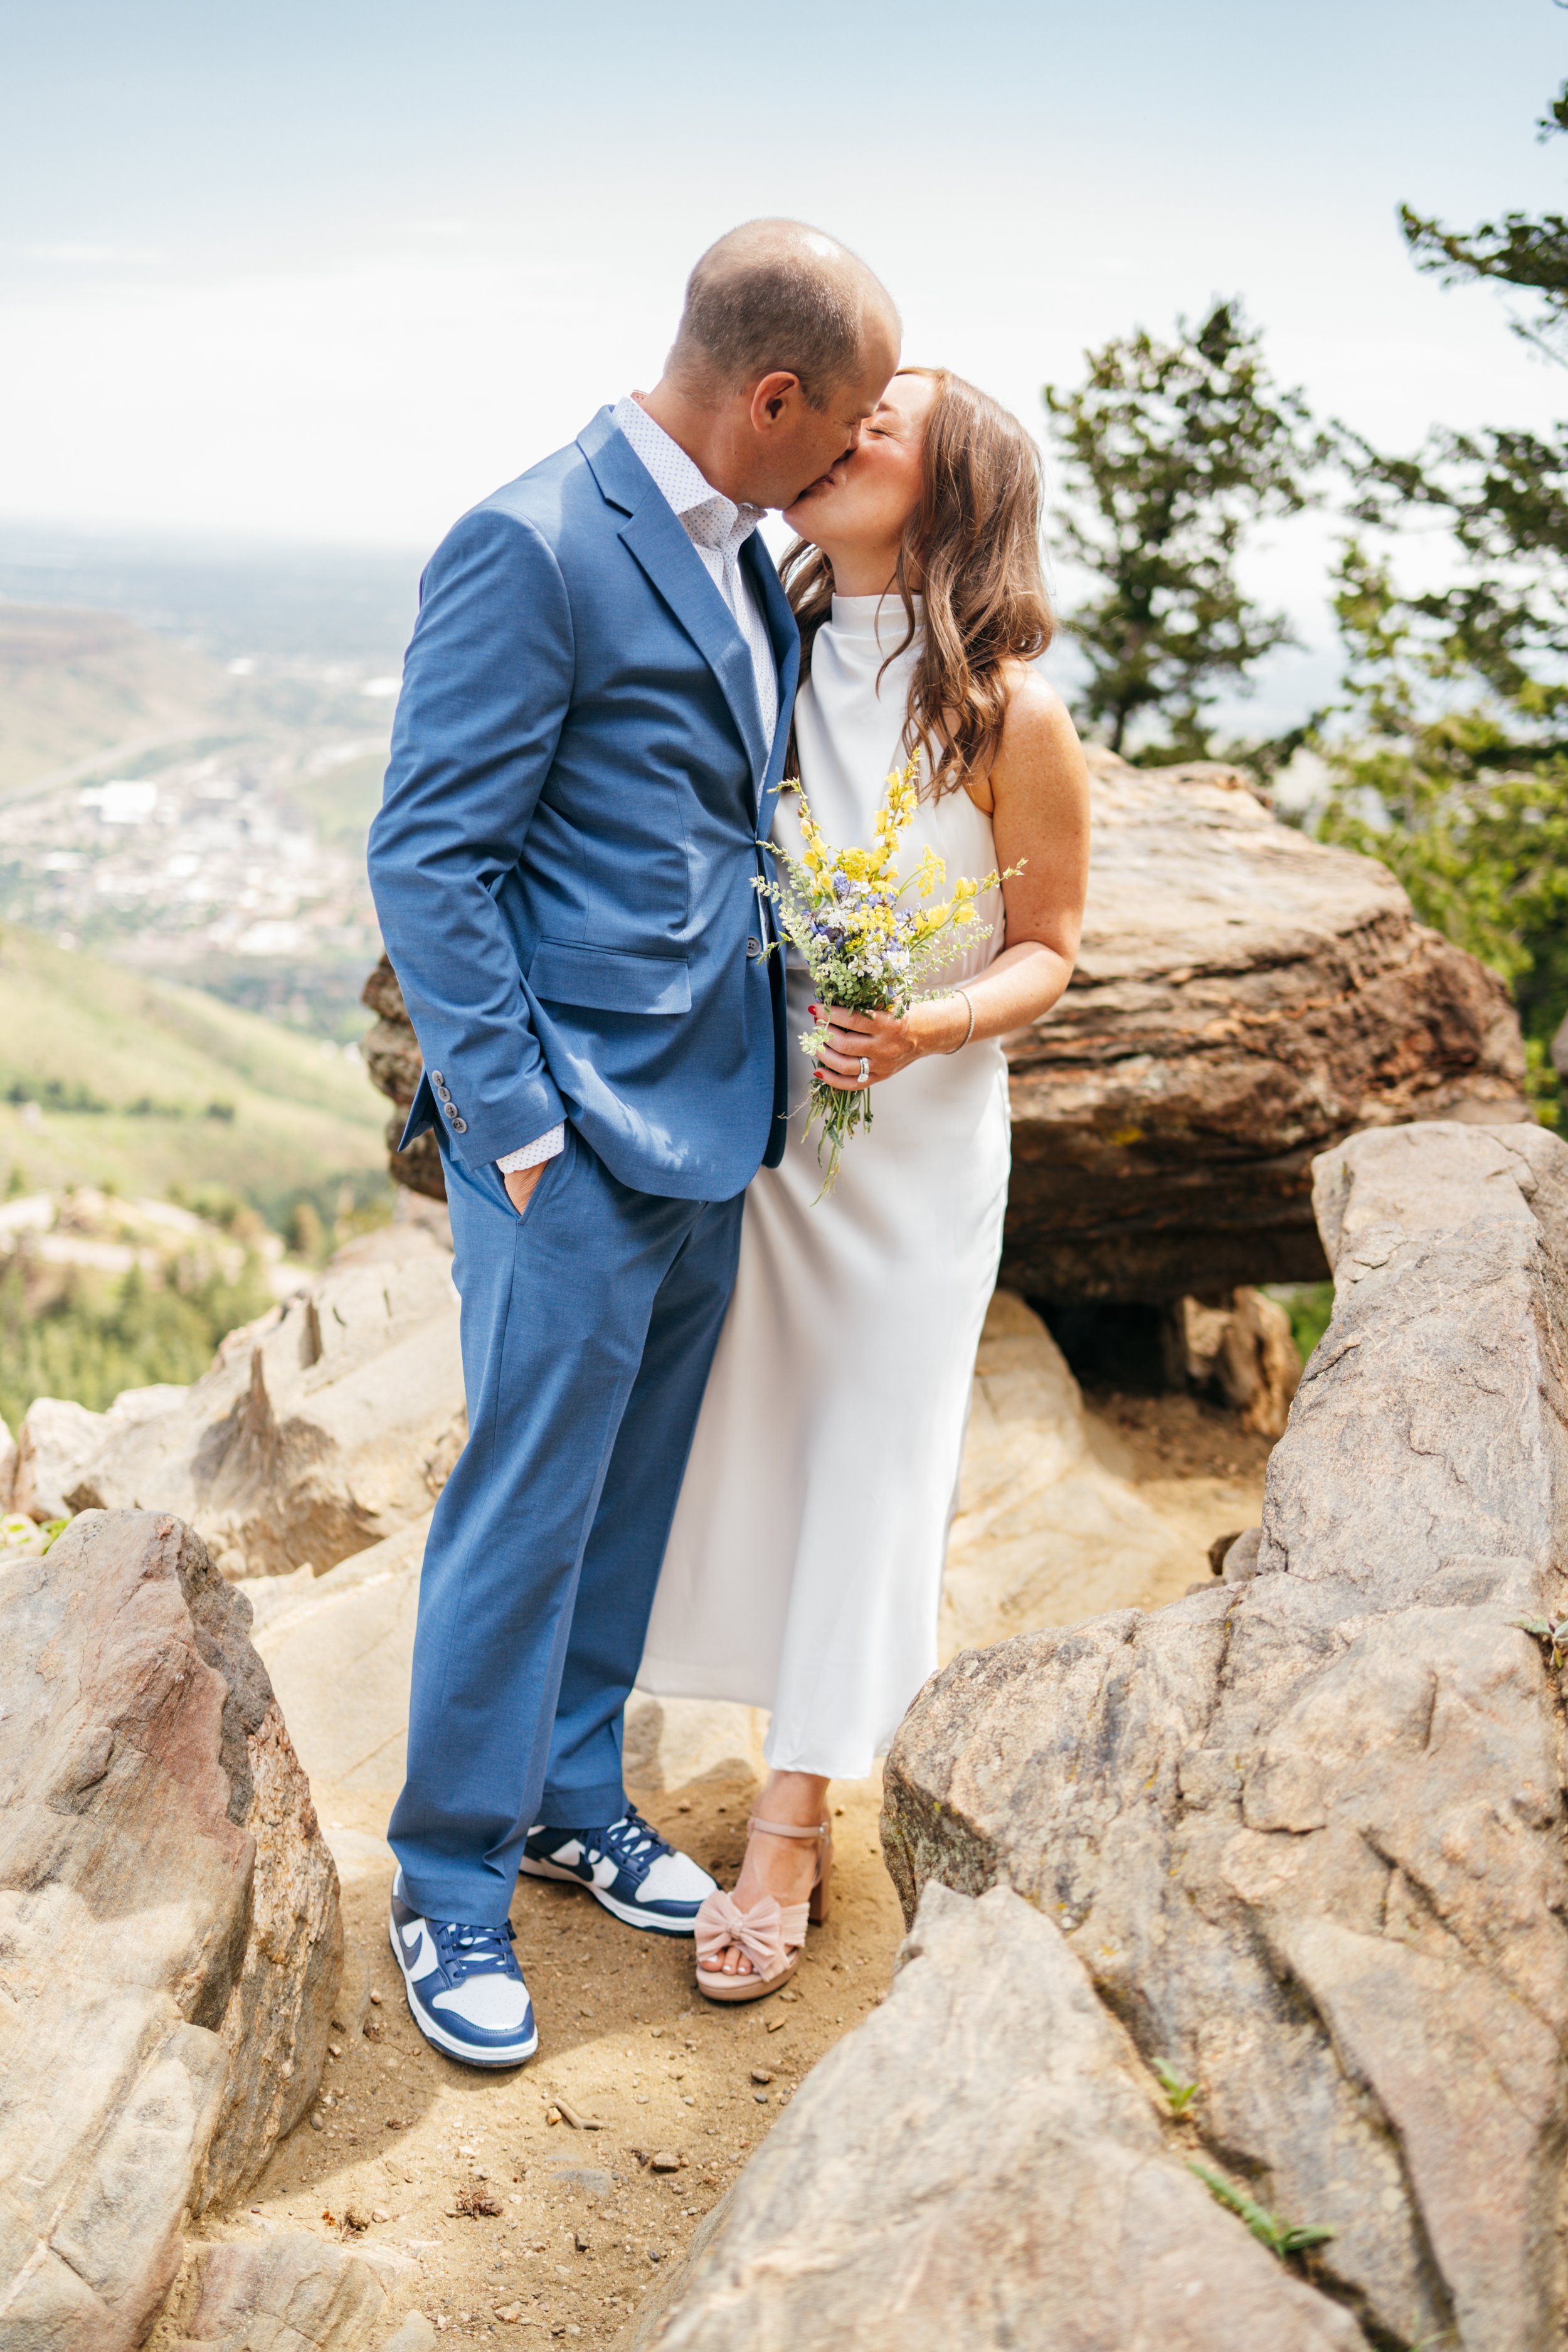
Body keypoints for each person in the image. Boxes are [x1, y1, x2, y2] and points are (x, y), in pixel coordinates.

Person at [366, 221, 901, 2066]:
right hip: (570, 1140)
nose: (843, 464)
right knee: (522, 1508)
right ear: (768, 397)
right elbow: (430, 857)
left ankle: (567, 1799)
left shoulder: (741, 547)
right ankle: (445, 1884)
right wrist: (514, 1134)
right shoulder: (530, 542)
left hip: (713, 1120)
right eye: (832, 430)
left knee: (626, 1499)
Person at [640, 367, 1092, 2000]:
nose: (830, 439)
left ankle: (788, 1821)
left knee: (869, 1461)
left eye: (872, 430)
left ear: (948, 491)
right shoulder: (757, 647)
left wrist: (920, 1028)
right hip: (759, 1136)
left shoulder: (1006, 716)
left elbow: (1047, 951)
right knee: (738, 1438)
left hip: (910, 1158)